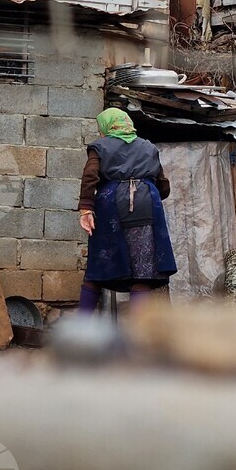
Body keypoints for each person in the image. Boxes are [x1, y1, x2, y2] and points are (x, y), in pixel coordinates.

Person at [77, 107, 177, 315]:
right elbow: (162, 184)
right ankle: (137, 333)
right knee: (143, 271)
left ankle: (82, 325)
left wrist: (86, 208)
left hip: (111, 206)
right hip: (146, 206)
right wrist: (151, 194)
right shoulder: (148, 147)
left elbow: (90, 177)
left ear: (106, 127)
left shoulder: (100, 146)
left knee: (98, 267)